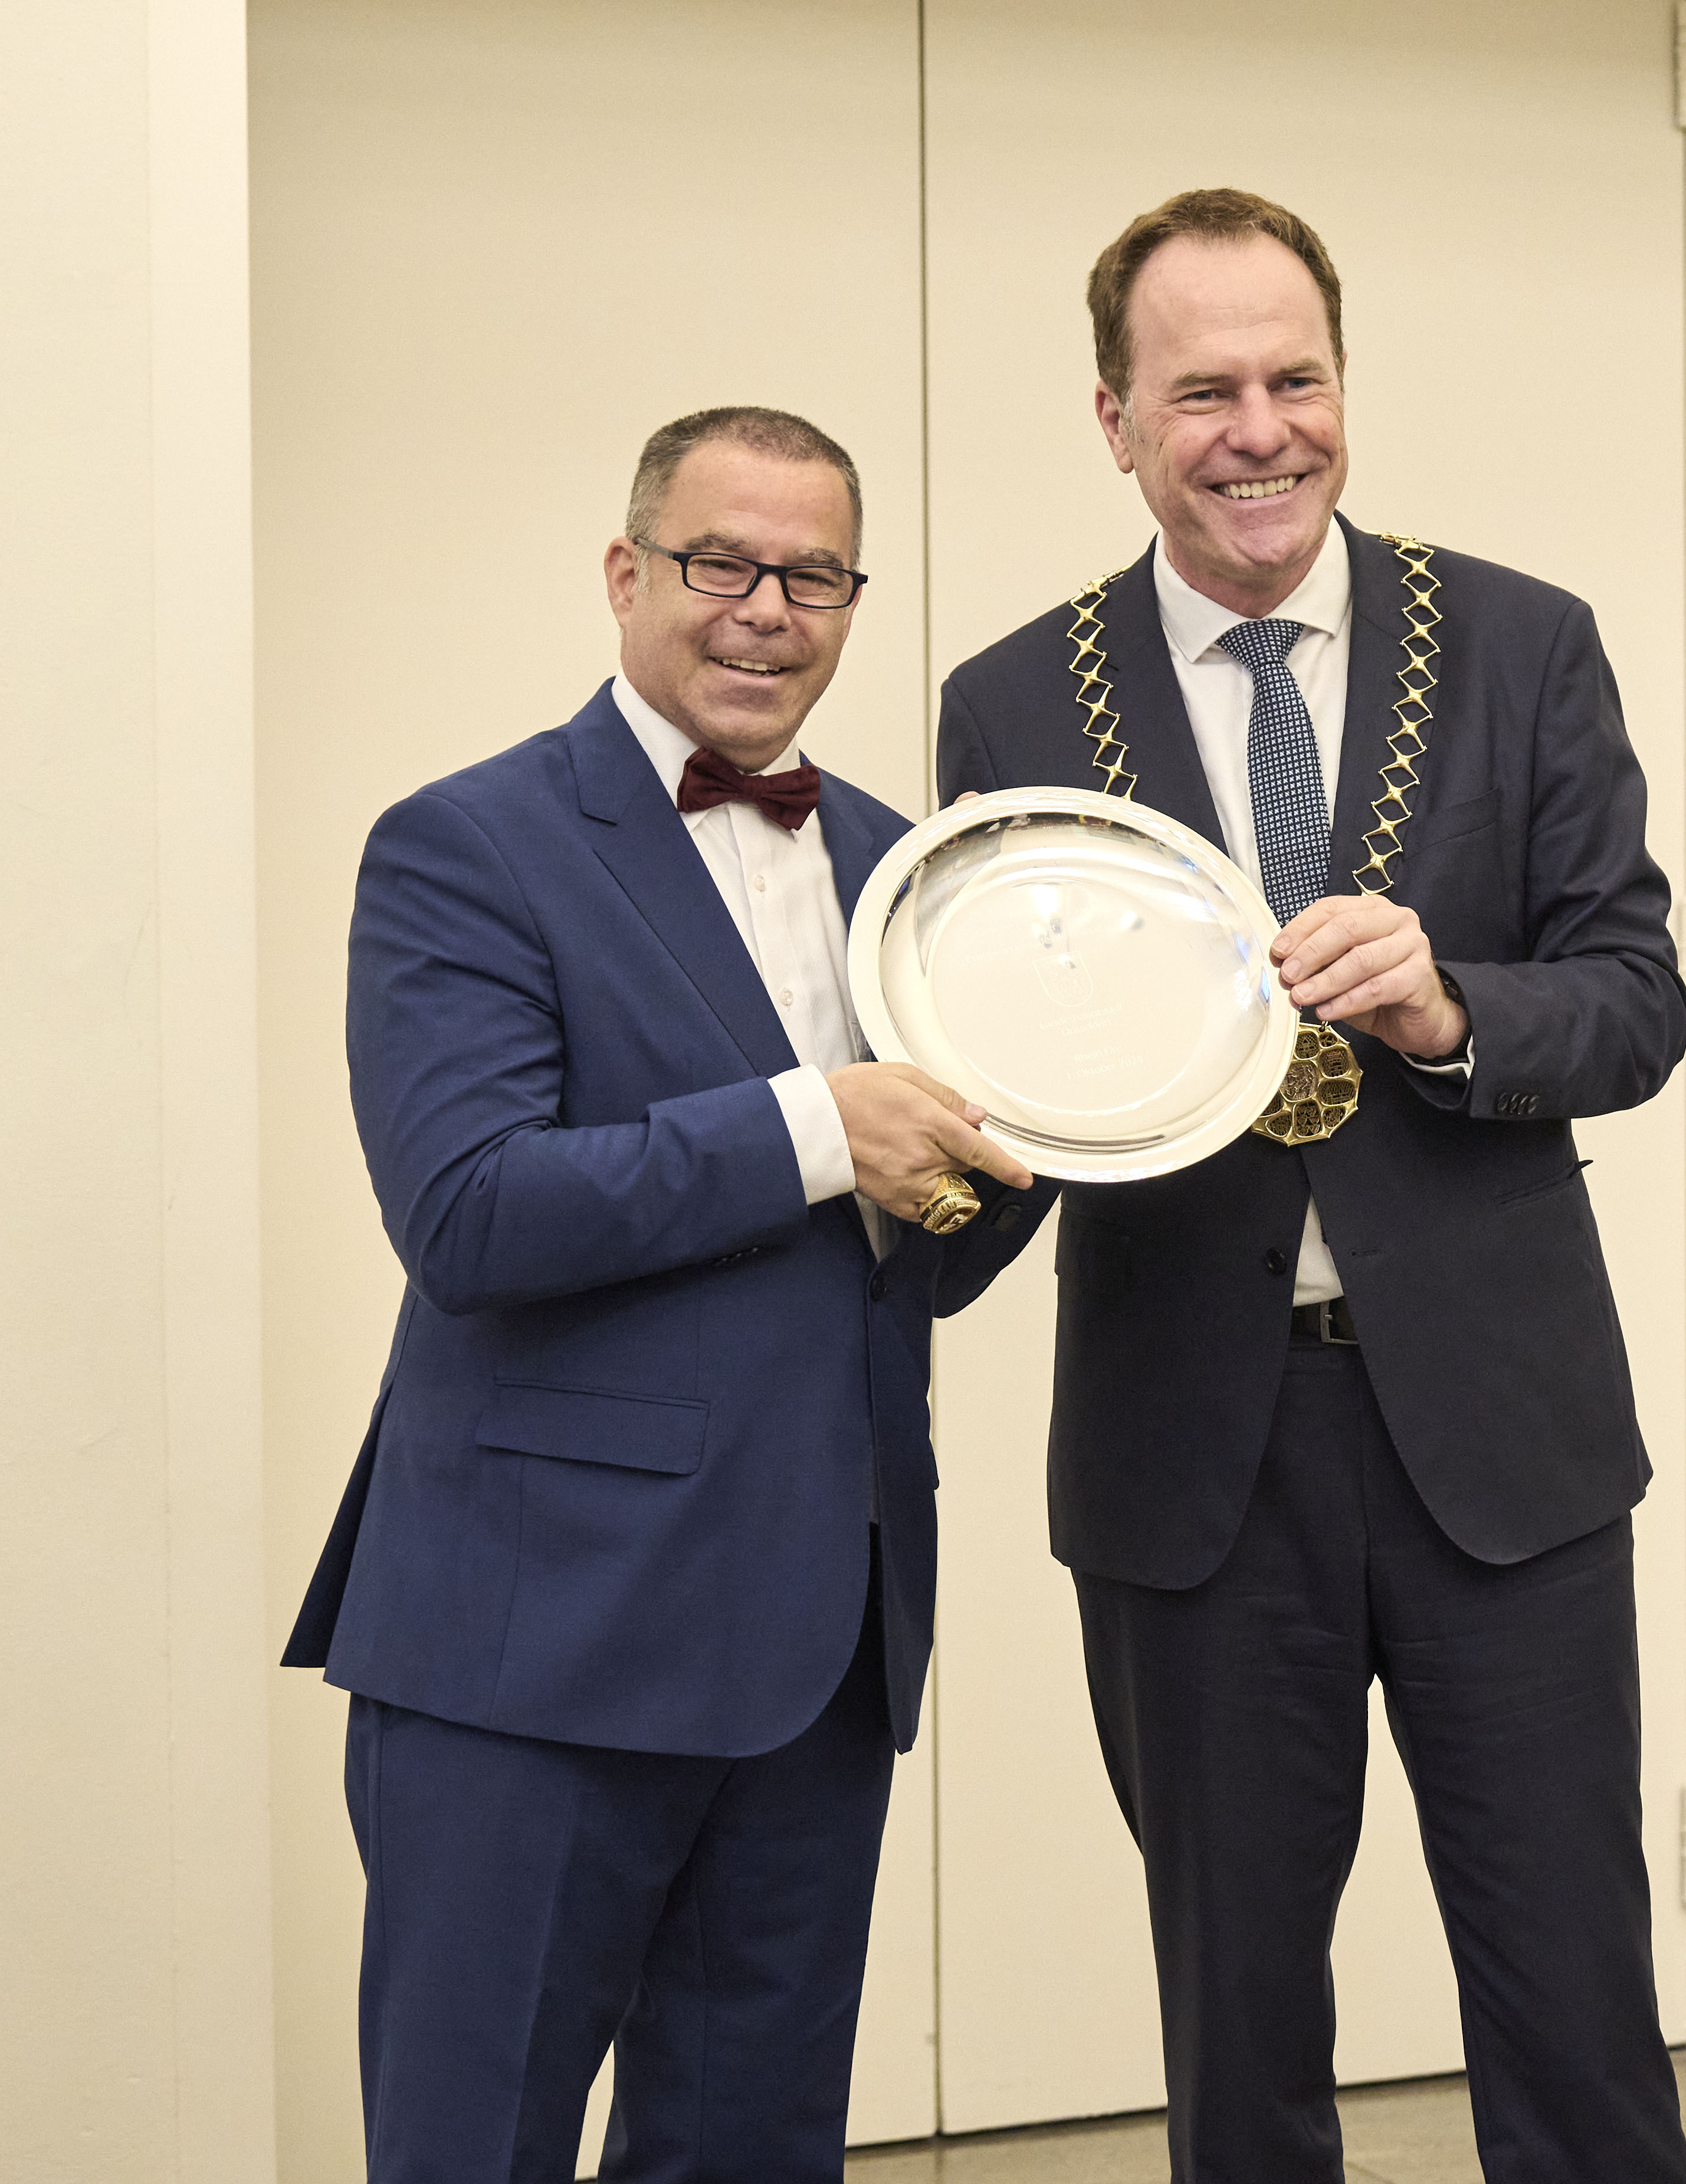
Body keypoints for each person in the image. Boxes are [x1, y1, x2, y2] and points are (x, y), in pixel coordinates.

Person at [938, 191, 1686, 2183]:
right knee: (1237, 2023)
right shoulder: (1013, 705)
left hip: (1503, 1450)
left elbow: (1633, 1004)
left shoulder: (1528, 645)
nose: (1258, 429)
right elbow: (1012, 1072)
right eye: (1203, 391)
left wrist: (1455, 1013)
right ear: (1113, 418)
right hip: (1193, 1460)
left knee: (1575, 2009)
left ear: (1343, 385)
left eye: (1295, 380)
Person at [281, 406, 1045, 2184]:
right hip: (531, 1651)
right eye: (720, 564)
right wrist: (812, 1125)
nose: (764, 610)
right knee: (477, 2148)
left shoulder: (911, 865)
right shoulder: (463, 844)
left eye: (814, 575)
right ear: (628, 576)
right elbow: (468, 1213)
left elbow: (919, 1264)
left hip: (824, 1649)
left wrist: (1059, 1125)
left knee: (752, 2153)